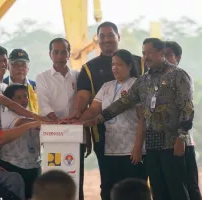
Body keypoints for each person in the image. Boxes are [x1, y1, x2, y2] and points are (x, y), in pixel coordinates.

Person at [82, 38, 194, 200]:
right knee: (158, 190)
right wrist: (98, 119)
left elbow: (187, 108)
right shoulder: (144, 80)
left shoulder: (178, 75)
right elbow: (123, 103)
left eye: (150, 52)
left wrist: (181, 137)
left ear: (162, 53)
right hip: (152, 145)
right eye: (143, 53)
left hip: (173, 142)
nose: (146, 56)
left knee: (177, 189)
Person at [67, 21, 146, 200]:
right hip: (106, 141)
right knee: (109, 186)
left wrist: (138, 145)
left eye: (110, 35)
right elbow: (91, 107)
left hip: (135, 143)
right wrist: (76, 121)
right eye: (101, 36)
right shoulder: (99, 78)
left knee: (136, 186)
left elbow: (143, 116)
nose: (106, 39)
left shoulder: (140, 70)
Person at [35, 37, 87, 200]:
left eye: (63, 52)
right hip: (53, 134)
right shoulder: (42, 77)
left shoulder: (78, 76)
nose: (59, 55)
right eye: (55, 52)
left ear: (69, 54)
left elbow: (84, 101)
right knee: (53, 179)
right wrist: (57, 121)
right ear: (50, 54)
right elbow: (44, 103)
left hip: (76, 134)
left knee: (77, 179)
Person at [0, 46, 47, 161]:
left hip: (5, 141)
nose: (3, 64)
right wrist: (37, 118)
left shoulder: (5, 87)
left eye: (4, 60)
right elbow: (11, 106)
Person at [165, 41, 202, 200]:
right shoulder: (153, 80)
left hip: (183, 142)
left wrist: (181, 137)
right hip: (163, 144)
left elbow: (187, 109)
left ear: (178, 58)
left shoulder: (182, 77)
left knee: (188, 187)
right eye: (162, 55)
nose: (164, 59)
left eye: (169, 55)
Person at [0, 84, 41, 199]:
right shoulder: (6, 115)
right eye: (19, 98)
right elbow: (23, 123)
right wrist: (47, 121)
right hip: (13, 165)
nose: (24, 100)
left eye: (25, 96)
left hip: (33, 165)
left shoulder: (32, 114)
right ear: (9, 100)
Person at [3, 49, 38, 113]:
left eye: (23, 65)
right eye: (16, 64)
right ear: (8, 66)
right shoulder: (1, 86)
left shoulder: (36, 87)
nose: (20, 68)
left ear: (28, 67)